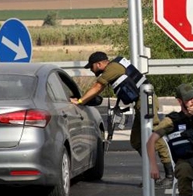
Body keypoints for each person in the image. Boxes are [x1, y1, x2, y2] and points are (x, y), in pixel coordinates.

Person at [72, 51, 174, 186]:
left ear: (99, 64)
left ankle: (169, 175)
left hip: (146, 102)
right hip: (141, 102)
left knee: (154, 136)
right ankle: (152, 174)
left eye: (92, 67)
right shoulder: (116, 67)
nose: (91, 70)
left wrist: (80, 101)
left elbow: (98, 87)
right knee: (136, 141)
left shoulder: (112, 69)